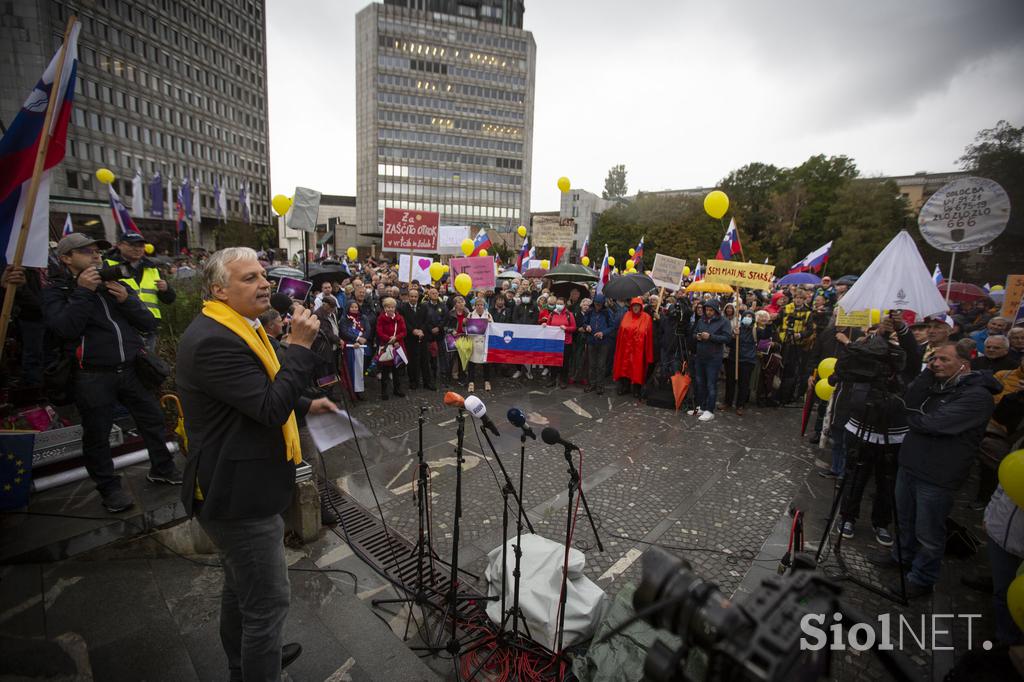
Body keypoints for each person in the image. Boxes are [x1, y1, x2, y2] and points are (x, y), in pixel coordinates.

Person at [176, 247, 336, 679]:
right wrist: (300, 348)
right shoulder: (213, 340)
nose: (264, 283)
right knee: (267, 602)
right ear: (219, 291)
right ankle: (258, 666)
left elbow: (256, 386)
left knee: (240, 588)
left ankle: (245, 661)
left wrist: (305, 403)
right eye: (249, 278)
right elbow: (266, 407)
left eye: (263, 274)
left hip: (242, 483)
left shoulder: (238, 328)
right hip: (237, 495)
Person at [43, 233, 183, 513]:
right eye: (86, 252)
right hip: (92, 374)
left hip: (130, 369)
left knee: (152, 419)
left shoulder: (113, 286)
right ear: (67, 259)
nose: (95, 256)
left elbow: (147, 323)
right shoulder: (59, 291)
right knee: (98, 434)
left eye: (97, 251)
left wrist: (126, 301)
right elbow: (64, 329)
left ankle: (162, 468)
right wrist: (83, 292)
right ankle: (109, 488)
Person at [878, 342, 1001, 598]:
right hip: (911, 464)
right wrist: (926, 374)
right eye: (933, 359)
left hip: (938, 475)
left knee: (928, 530)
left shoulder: (977, 396)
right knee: (904, 519)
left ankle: (922, 579)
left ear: (964, 364)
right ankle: (901, 556)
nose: (936, 363)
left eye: (944, 359)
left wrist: (912, 417)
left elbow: (934, 423)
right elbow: (910, 400)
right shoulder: (936, 384)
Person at [105, 232, 176, 353]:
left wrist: (166, 289)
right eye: (132, 245)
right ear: (120, 245)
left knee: (148, 366)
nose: (137, 249)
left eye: (141, 246)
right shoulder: (108, 265)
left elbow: (169, 299)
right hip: (123, 326)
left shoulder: (152, 267)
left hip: (149, 328)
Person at [689, 299, 733, 422]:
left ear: (716, 310)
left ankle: (710, 410)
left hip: (713, 358)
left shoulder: (723, 321)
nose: (708, 312)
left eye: (710, 310)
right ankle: (702, 407)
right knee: (700, 383)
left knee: (711, 384)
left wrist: (711, 337)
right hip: (700, 356)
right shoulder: (702, 320)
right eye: (706, 310)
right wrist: (697, 336)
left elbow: (727, 338)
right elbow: (694, 333)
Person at [772, 289, 815, 405]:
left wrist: (800, 335)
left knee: (791, 372)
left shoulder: (808, 312)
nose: (798, 300)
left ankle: (786, 397)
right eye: (796, 298)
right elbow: (777, 323)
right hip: (784, 342)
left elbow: (810, 330)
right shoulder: (785, 308)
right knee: (779, 368)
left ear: (804, 300)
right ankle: (774, 395)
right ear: (793, 298)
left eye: (801, 298)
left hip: (797, 345)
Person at [612, 297, 654, 399]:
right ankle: (625, 387)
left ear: (641, 307)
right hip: (626, 348)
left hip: (638, 350)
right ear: (631, 306)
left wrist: (648, 352)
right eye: (634, 305)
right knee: (624, 368)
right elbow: (621, 331)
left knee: (637, 370)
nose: (636, 308)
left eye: (638, 306)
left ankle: (636, 389)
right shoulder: (626, 315)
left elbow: (649, 336)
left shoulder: (646, 317)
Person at [722, 310, 757, 415]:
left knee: (743, 384)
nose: (748, 318)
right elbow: (728, 344)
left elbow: (765, 335)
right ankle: (728, 402)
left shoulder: (755, 330)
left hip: (747, 360)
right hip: (734, 359)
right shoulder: (737, 329)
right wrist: (733, 336)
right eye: (746, 316)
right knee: (730, 382)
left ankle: (740, 405)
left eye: (750, 316)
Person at [399, 287, 433, 390]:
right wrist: (413, 330)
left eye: (415, 296)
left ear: (418, 297)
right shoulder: (402, 307)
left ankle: (427, 382)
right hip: (410, 338)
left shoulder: (423, 307)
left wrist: (421, 330)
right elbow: (403, 322)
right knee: (412, 361)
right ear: (408, 297)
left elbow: (426, 320)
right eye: (411, 296)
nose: (413, 298)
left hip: (422, 337)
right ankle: (413, 381)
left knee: (425, 361)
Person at [582, 294, 617, 395]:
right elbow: (584, 323)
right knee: (592, 364)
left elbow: (612, 326)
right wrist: (587, 326)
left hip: (604, 342)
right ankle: (592, 384)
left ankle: (600, 386)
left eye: (600, 305)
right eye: (596, 304)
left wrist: (603, 333)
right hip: (591, 341)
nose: (598, 306)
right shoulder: (589, 311)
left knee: (601, 365)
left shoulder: (607, 312)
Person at [375, 297, 407, 400]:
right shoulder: (381, 318)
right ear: (384, 308)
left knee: (397, 370)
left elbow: (404, 331)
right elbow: (379, 332)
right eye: (388, 307)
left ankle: (397, 389)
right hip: (386, 346)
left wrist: (396, 338)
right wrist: (389, 339)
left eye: (392, 307)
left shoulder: (400, 318)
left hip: (397, 346)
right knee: (385, 371)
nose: (390, 309)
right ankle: (384, 392)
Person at [466, 296, 493, 392]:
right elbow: (466, 330)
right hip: (474, 342)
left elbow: (493, 329)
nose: (479, 306)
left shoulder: (488, 315)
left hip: (484, 342)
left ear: (484, 306)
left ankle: (487, 381)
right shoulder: (470, 315)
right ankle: (471, 383)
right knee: (472, 364)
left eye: (481, 305)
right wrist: (466, 323)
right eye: (478, 305)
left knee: (486, 364)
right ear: (475, 306)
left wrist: (490, 323)